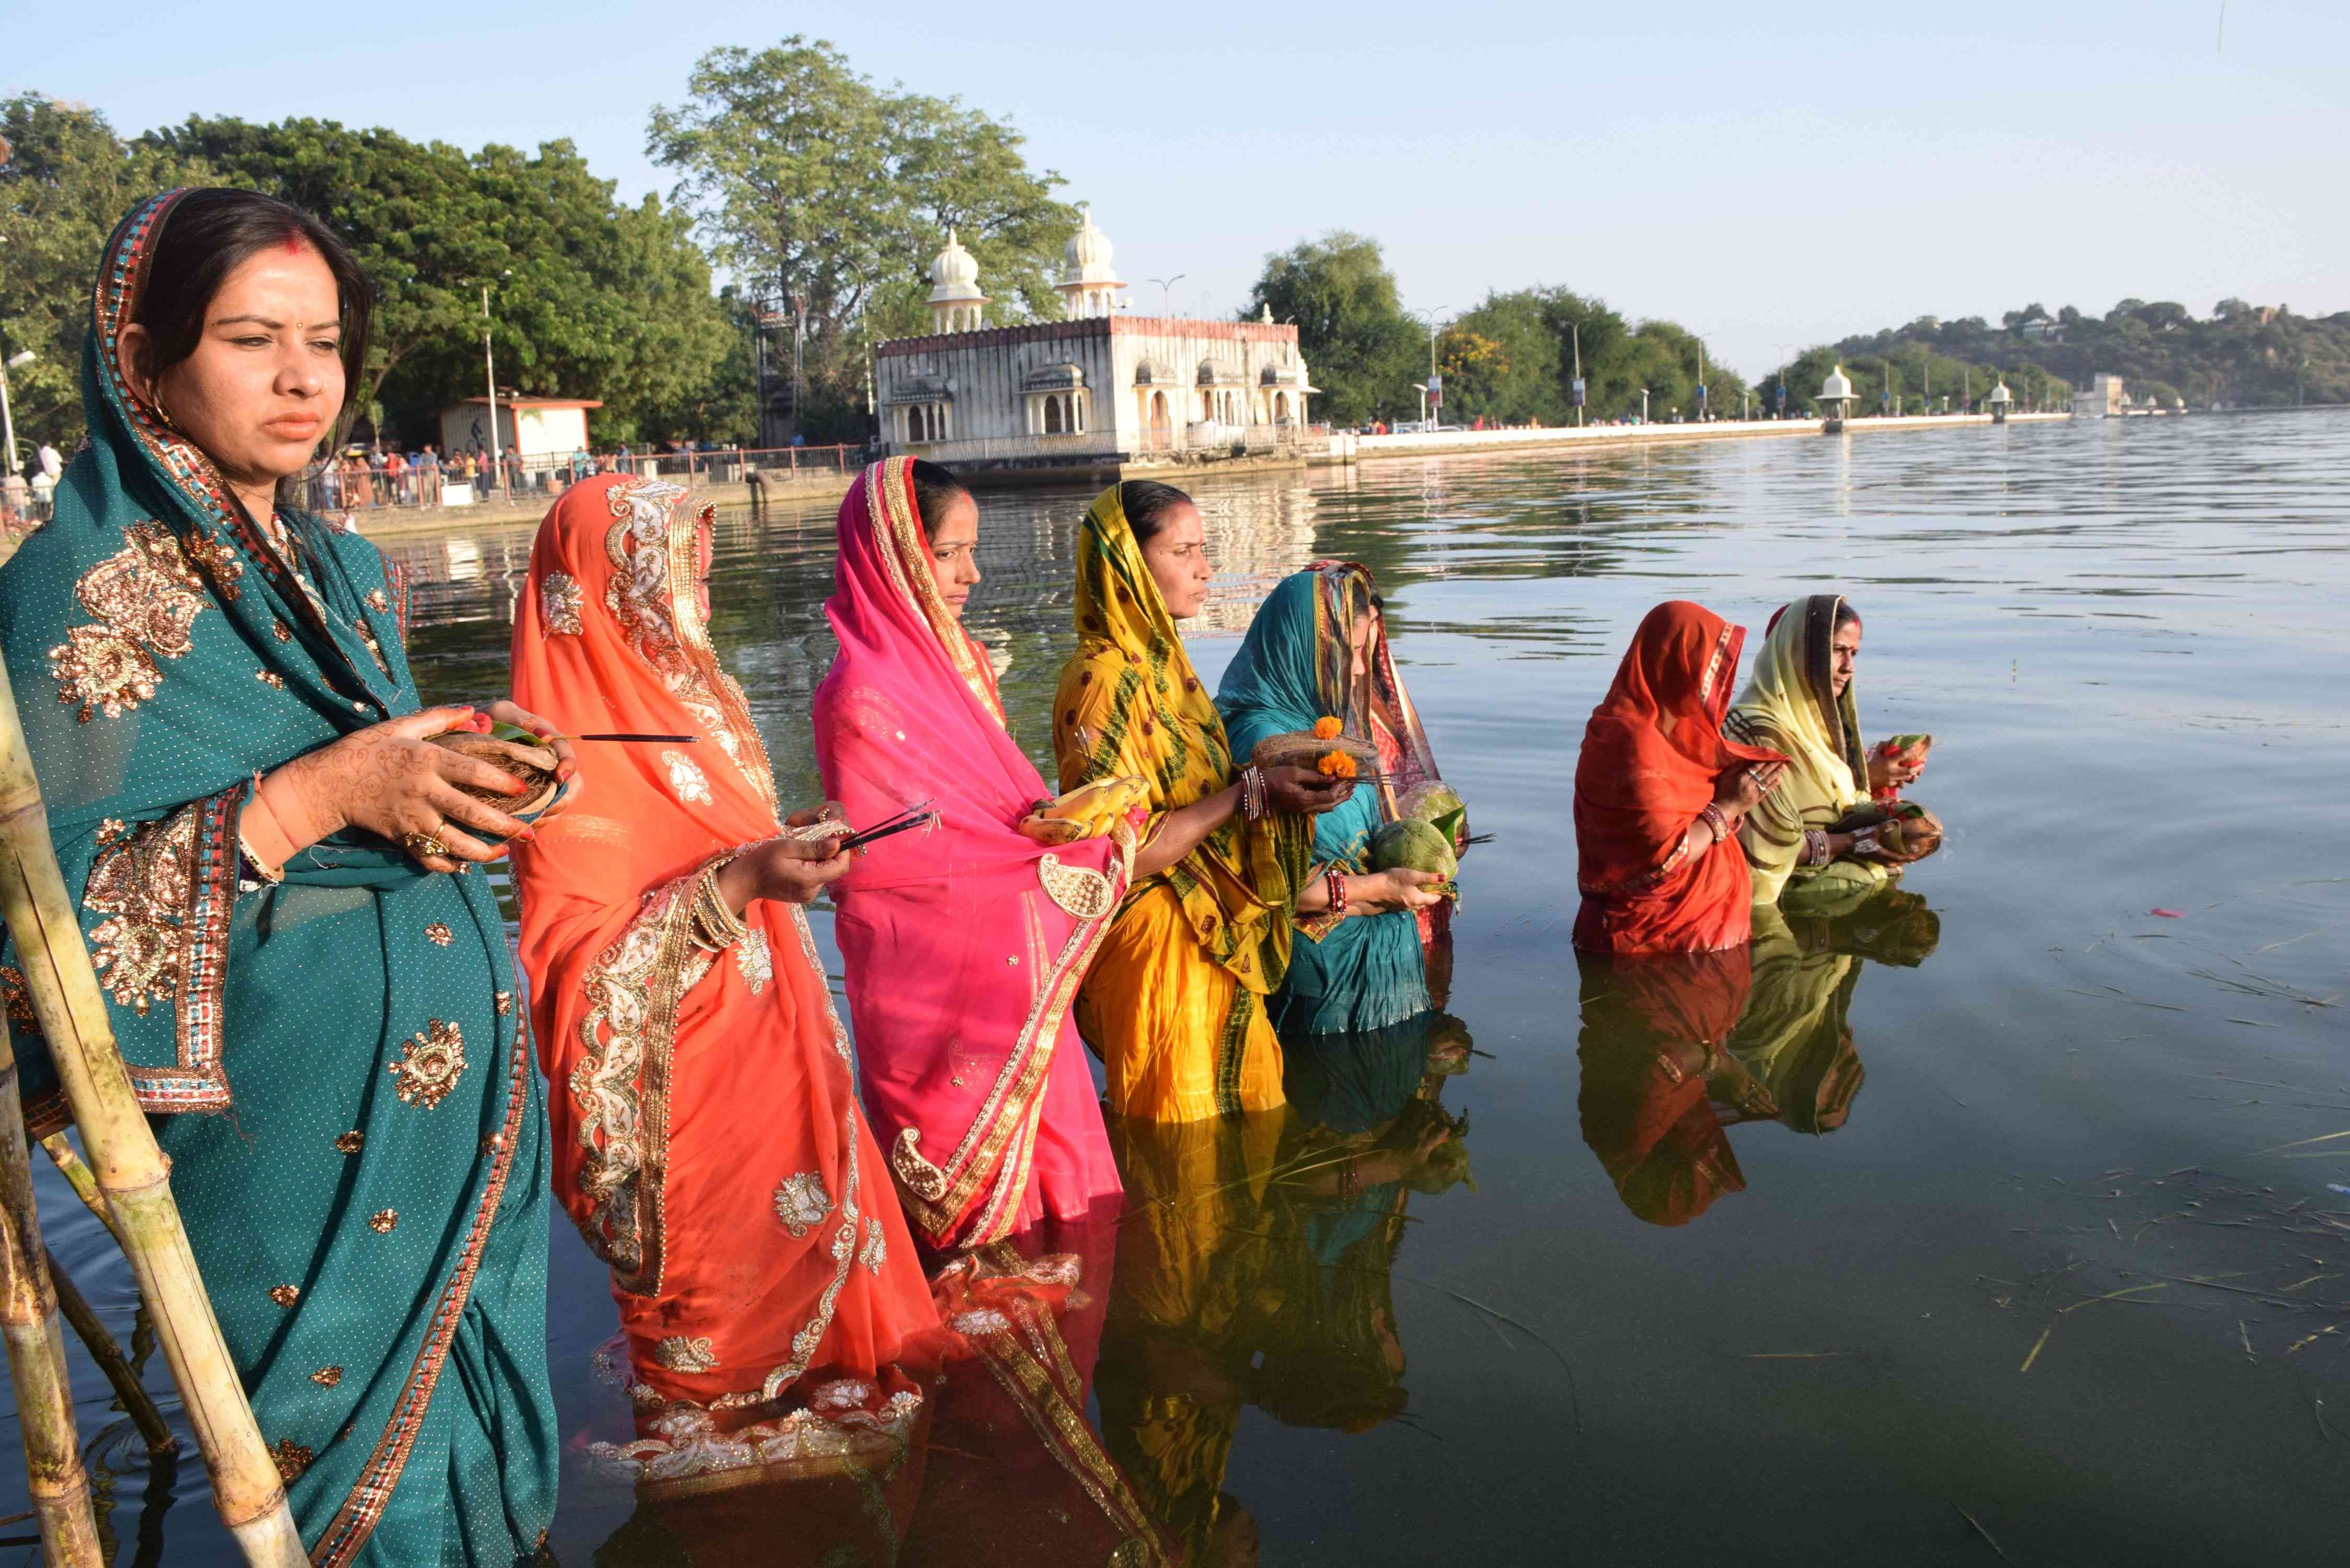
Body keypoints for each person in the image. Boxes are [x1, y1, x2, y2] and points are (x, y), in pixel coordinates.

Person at [0, 187, 565, 1559]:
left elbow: (366, 791)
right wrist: (325, 793)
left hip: (462, 1119)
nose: (307, 376)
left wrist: (454, 783)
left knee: (499, 1493)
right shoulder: (86, 597)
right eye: (254, 338)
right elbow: (48, 935)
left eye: (326, 340)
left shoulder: (345, 568)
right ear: (144, 362)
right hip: (292, 1150)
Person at [509, 471, 940, 1497]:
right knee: (726, 1396)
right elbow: (578, 978)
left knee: (840, 1384)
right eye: (671, 583)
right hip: (690, 1095)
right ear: (610, 596)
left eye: (694, 582)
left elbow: (717, 849)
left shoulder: (692, 715)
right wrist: (743, 878)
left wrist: (782, 846)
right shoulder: (562, 767)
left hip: (775, 1053)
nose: (693, 606)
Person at [813, 458, 1131, 1252]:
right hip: (943, 1002)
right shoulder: (863, 695)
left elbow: (995, 817)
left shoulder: (967, 665)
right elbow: (905, 873)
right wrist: (1087, 855)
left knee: (1067, 1233)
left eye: (970, 551)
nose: (972, 574)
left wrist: (1059, 827)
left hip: (1016, 989)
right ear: (894, 556)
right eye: (950, 553)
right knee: (983, 1264)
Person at [1051, 480, 1347, 1121]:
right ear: (1128, 563)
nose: (1205, 570)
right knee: (1183, 1156)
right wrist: (1250, 794)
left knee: (1249, 1132)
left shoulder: (1163, 671)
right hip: (1160, 946)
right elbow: (1117, 856)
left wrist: (1286, 785)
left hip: (1209, 932)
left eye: (1203, 550)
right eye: (1183, 551)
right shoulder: (1102, 681)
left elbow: (1203, 794)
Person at [1215, 565, 1446, 1037]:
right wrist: (1376, 889)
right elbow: (1264, 888)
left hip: (1367, 972)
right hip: (1323, 990)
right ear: (1305, 648)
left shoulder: (1324, 721)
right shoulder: (1266, 743)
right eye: (1352, 652)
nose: (1361, 669)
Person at [1573, 601, 1789, 955]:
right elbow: (1662, 856)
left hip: (1694, 936)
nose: (1718, 688)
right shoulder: (1635, 743)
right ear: (1677, 666)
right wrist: (1730, 805)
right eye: (1708, 671)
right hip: (1658, 946)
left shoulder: (1673, 738)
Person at [1724, 594, 1936, 909]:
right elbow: (1767, 849)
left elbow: (1824, 801)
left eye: (1853, 654)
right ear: (1796, 652)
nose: (1849, 667)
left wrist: (1877, 786)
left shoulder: (1818, 728)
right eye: (1838, 651)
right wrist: (1857, 842)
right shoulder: (1757, 732)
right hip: (1778, 907)